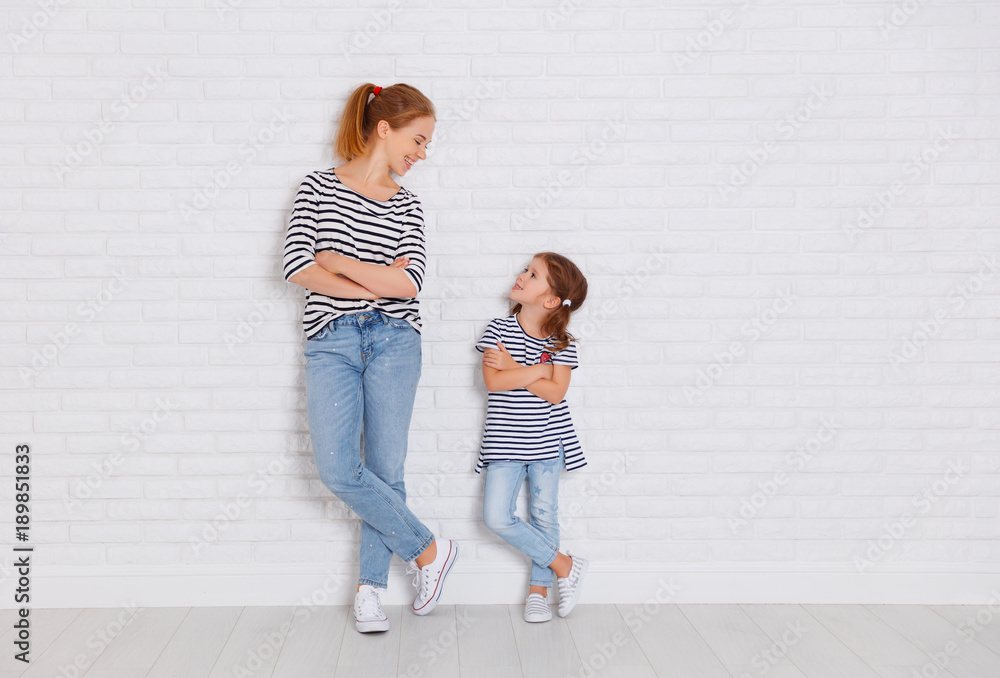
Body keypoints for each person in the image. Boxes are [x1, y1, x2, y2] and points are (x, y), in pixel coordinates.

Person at [282, 82, 457, 634]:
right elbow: (296, 267)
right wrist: (367, 284)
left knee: (385, 470)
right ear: (385, 128)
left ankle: (370, 592)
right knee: (339, 469)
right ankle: (428, 551)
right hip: (330, 339)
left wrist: (337, 260)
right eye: (419, 140)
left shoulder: (408, 204)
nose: (423, 154)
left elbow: (409, 285)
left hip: (396, 342)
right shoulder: (314, 187)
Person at [475, 252, 589, 622]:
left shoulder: (563, 342)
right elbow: (495, 382)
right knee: (496, 516)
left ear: (551, 300)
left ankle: (539, 592)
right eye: (526, 269)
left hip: (547, 442)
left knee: (544, 515)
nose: (522, 275)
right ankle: (564, 564)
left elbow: (557, 394)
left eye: (533, 274)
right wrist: (536, 371)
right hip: (505, 443)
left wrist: (516, 368)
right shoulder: (498, 329)